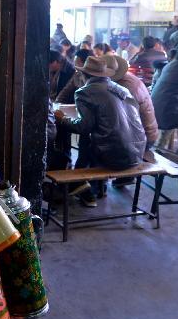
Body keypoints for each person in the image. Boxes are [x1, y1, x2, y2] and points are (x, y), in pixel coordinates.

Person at [55, 55, 145, 206]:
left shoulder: (85, 92)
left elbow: (83, 127)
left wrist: (62, 118)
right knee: (100, 133)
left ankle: (79, 184)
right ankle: (90, 187)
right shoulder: (121, 89)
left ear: (83, 75)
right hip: (137, 152)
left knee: (86, 137)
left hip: (115, 157)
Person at [109, 55, 158, 149]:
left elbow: (121, 119)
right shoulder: (129, 78)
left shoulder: (123, 88)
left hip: (142, 139)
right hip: (147, 133)